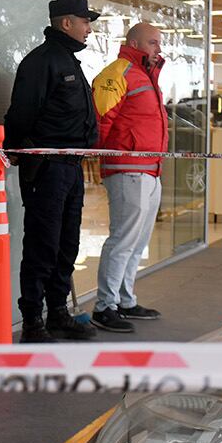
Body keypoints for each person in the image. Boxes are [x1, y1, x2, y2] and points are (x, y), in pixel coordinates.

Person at [3, 0, 101, 343]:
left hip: (70, 168)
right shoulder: (42, 62)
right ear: (65, 24)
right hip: (47, 169)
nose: (88, 28)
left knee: (67, 244)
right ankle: (33, 322)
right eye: (84, 21)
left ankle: (58, 313)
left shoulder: (68, 62)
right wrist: (18, 150)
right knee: (42, 246)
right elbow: (21, 113)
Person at [90, 22, 167, 333]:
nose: (158, 49)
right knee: (123, 239)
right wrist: (101, 157)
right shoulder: (118, 72)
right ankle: (104, 306)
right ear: (134, 42)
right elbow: (100, 119)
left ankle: (124, 299)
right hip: (127, 168)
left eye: (159, 43)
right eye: (152, 42)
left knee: (138, 242)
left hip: (150, 169)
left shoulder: (148, 76)